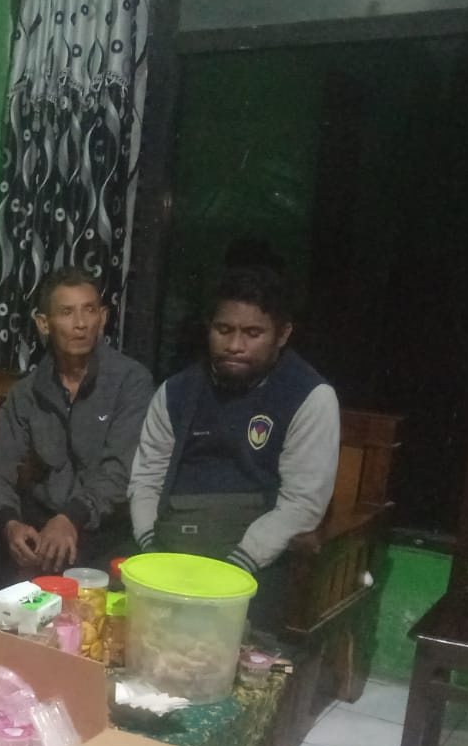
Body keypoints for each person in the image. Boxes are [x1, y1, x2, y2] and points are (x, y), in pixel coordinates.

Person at [127, 266, 340, 635]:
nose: (235, 345)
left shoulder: (309, 396)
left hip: (255, 561)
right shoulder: (176, 392)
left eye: (253, 333)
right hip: (170, 549)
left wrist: (234, 568)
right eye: (223, 330)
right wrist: (151, 549)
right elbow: (146, 479)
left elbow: (303, 503)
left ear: (282, 334)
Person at [0, 266, 155, 620]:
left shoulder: (130, 381)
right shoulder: (27, 392)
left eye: (89, 310)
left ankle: (62, 644)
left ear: (103, 318)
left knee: (93, 567)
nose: (81, 324)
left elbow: (120, 471)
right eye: (67, 312)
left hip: (101, 521)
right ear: (44, 324)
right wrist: (11, 523)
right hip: (44, 512)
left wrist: (71, 518)